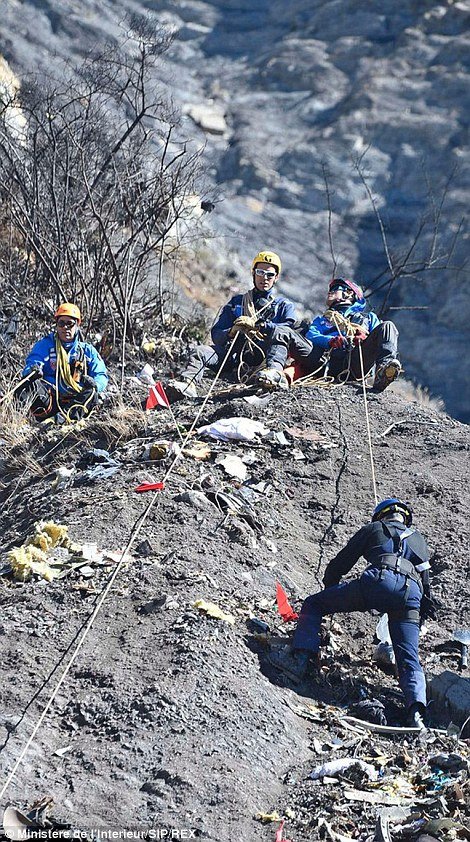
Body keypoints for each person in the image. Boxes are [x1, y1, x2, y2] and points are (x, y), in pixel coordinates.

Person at [269, 498, 435, 729]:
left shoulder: (373, 528)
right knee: (409, 658)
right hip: (410, 595)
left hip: (379, 581)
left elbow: (341, 563)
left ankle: (298, 662)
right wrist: (418, 617)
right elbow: (427, 589)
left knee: (314, 604)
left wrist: (330, 589)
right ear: (404, 518)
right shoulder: (419, 542)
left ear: (381, 515)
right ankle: (417, 715)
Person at [165, 251, 297, 400]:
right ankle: (188, 384)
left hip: (264, 362)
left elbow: (287, 332)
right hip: (233, 358)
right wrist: (232, 331)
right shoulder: (237, 303)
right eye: (260, 272)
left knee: (279, 339)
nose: (264, 278)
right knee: (200, 352)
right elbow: (217, 335)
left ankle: (274, 376)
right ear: (253, 273)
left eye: (270, 274)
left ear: (276, 277)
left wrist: (260, 326)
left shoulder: (283, 306)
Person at [268, 278, 401, 391]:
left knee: (388, 326)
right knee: (284, 332)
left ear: (349, 293)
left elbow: (378, 339)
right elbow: (311, 335)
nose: (330, 291)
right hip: (324, 361)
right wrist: (330, 340)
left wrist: (364, 337)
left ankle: (383, 371)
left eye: (335, 288)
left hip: (355, 362)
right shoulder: (323, 319)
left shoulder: (368, 318)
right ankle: (275, 372)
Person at [18, 303, 108, 422]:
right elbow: (32, 363)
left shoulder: (87, 351)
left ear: (77, 325)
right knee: (28, 383)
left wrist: (96, 383)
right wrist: (32, 370)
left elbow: (101, 374)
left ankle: (62, 420)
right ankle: (16, 419)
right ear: (57, 325)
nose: (65, 328)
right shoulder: (45, 345)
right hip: (50, 400)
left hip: (76, 402)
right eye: (61, 323)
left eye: (70, 324)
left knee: (92, 391)